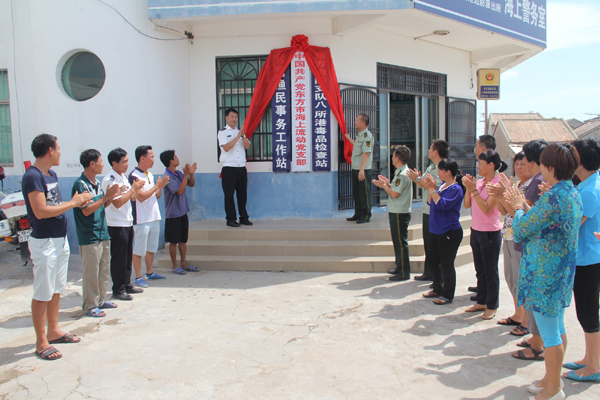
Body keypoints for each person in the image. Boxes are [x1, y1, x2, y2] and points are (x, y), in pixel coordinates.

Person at [506, 143, 582, 400]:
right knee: (557, 327)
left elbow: (521, 229)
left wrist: (517, 206)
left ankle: (553, 390)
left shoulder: (552, 196)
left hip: (545, 275)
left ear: (550, 167)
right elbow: (542, 221)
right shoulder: (570, 192)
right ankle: (551, 379)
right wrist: (527, 210)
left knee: (550, 334)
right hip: (559, 272)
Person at [22, 134, 92, 360]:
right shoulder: (32, 177)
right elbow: (41, 211)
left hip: (59, 239)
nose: (61, 152)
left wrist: (76, 201)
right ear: (50, 150)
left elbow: (54, 204)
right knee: (43, 290)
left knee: (56, 288)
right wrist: (72, 204)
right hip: (44, 242)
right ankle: (41, 341)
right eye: (59, 148)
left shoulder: (50, 174)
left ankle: (53, 330)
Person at [562, 137, 600, 383]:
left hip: (588, 259)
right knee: (586, 312)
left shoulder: (590, 190)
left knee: (587, 313)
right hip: (585, 257)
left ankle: (594, 367)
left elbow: (572, 226)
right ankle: (590, 358)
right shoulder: (588, 184)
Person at [486, 152, 532, 335]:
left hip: (520, 238)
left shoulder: (532, 186)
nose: (519, 167)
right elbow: (506, 212)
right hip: (509, 235)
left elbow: (520, 210)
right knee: (512, 278)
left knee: (521, 279)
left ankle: (527, 322)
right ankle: (518, 315)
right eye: (517, 164)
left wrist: (504, 192)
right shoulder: (517, 185)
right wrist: (500, 195)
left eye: (523, 164)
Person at [512, 139, 550, 359]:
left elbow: (525, 224)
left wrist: (517, 206)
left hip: (539, 255)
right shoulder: (553, 186)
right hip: (539, 254)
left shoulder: (541, 183)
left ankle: (537, 345)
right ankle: (537, 339)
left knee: (538, 305)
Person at [72, 149, 120, 317]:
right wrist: (105, 196)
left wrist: (110, 197)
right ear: (91, 164)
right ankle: (90, 306)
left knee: (103, 270)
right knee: (91, 272)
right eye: (100, 161)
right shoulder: (81, 185)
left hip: (102, 232)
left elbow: (101, 205)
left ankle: (99, 300)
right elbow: (86, 210)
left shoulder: (96, 183)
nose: (102, 165)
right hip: (90, 235)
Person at [462, 150, 507, 320]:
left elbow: (487, 207)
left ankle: (492, 304)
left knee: (490, 272)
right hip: (476, 230)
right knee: (479, 270)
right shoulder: (479, 183)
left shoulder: (497, 184)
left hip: (490, 232)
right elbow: (467, 205)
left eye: (481, 163)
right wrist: (469, 189)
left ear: (491, 165)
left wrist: (473, 190)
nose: (478, 166)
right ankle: (481, 300)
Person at [102, 148, 145, 301]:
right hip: (116, 223)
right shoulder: (110, 181)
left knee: (127, 256)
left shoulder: (124, 177)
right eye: (124, 161)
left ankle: (127, 283)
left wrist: (136, 189)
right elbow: (118, 203)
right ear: (114, 163)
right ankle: (118, 288)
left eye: (127, 161)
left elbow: (131, 198)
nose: (127, 164)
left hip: (127, 221)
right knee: (119, 258)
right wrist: (132, 189)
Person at [420, 159, 465, 305]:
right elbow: (430, 202)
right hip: (436, 230)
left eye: (440, 170)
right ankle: (437, 288)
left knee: (446, 264)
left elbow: (442, 205)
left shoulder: (455, 189)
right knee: (432, 261)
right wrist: (430, 188)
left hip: (449, 231)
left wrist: (433, 189)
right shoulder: (442, 186)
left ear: (448, 172)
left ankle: (447, 294)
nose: (437, 172)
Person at [406, 139, 449, 282]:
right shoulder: (431, 167)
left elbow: (436, 187)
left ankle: (437, 276)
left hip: (437, 210)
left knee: (436, 245)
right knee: (428, 243)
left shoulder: (443, 168)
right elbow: (423, 184)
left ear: (436, 152)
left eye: (430, 148)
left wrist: (418, 179)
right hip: (427, 209)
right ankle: (429, 272)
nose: (429, 151)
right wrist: (417, 179)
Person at [129, 145, 169, 287]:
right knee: (139, 249)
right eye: (151, 157)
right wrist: (156, 186)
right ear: (142, 158)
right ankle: (138, 276)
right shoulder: (134, 176)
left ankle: (150, 272)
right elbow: (141, 197)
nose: (153, 159)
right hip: (141, 219)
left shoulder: (149, 175)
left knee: (152, 247)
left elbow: (155, 196)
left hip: (153, 216)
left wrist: (160, 186)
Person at [372, 146, 412, 281]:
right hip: (396, 210)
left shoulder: (402, 174)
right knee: (397, 241)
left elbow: (394, 194)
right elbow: (395, 189)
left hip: (400, 212)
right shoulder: (400, 172)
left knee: (401, 242)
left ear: (398, 158)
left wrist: (384, 186)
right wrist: (386, 184)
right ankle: (399, 267)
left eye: (393, 155)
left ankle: (403, 272)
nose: (392, 158)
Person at [160, 150, 198, 275]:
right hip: (173, 213)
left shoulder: (179, 173)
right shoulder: (168, 177)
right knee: (173, 241)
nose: (177, 158)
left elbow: (191, 184)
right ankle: (174, 265)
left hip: (182, 211)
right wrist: (186, 175)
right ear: (170, 161)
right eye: (175, 157)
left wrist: (191, 174)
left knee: (183, 240)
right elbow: (179, 191)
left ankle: (184, 263)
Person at [218, 108, 252, 227]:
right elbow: (226, 148)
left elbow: (247, 146)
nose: (234, 119)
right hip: (229, 168)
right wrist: (238, 136)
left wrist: (242, 136)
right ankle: (231, 219)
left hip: (241, 168)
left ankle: (244, 217)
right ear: (226, 118)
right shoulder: (222, 132)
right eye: (232, 117)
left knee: (242, 194)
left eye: (236, 117)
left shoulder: (240, 132)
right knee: (229, 195)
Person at [344, 114, 373, 224]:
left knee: (364, 193)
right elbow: (357, 145)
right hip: (356, 168)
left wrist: (362, 170)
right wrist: (348, 138)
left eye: (356, 120)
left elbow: (366, 153)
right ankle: (358, 213)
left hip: (363, 169)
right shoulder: (360, 136)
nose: (354, 122)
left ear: (363, 123)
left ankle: (366, 216)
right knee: (357, 193)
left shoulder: (367, 136)